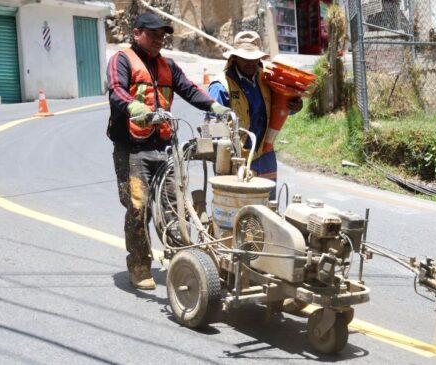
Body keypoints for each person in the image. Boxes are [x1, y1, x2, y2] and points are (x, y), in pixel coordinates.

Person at [107, 12, 230, 290]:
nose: (159, 39)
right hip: (131, 149)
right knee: (138, 208)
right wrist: (134, 107)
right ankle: (139, 265)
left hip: (163, 148)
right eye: (153, 34)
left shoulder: (168, 65)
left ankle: (179, 262)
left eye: (162, 35)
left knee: (176, 207)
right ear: (136, 33)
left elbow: (189, 89)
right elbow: (116, 91)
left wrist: (215, 107)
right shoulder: (122, 60)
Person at [207, 31, 302, 199]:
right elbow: (213, 127)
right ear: (235, 58)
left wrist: (294, 105)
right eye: (244, 58)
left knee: (267, 207)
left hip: (265, 154)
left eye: (253, 58)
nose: (250, 62)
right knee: (238, 209)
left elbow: (283, 105)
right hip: (235, 159)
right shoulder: (221, 86)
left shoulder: (267, 77)